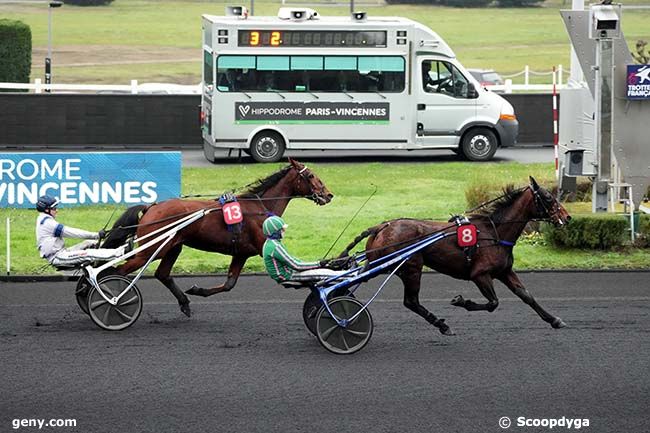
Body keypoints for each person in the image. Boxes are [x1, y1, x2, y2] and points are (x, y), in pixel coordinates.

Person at [35, 195, 128, 268]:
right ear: (46, 210)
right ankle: (121, 252)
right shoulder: (48, 223)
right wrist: (96, 235)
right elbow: (73, 233)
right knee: (88, 253)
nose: (57, 210)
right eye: (54, 208)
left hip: (62, 252)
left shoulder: (44, 219)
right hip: (58, 257)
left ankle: (119, 245)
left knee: (88, 243)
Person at [262, 215, 351, 284]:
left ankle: (349, 273)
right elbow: (297, 265)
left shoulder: (270, 243)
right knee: (321, 273)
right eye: (282, 230)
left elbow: (293, 261)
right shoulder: (275, 247)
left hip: (289, 272)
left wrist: (319, 264)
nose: (284, 231)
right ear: (276, 232)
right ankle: (352, 275)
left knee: (323, 270)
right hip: (288, 276)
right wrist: (319, 264)